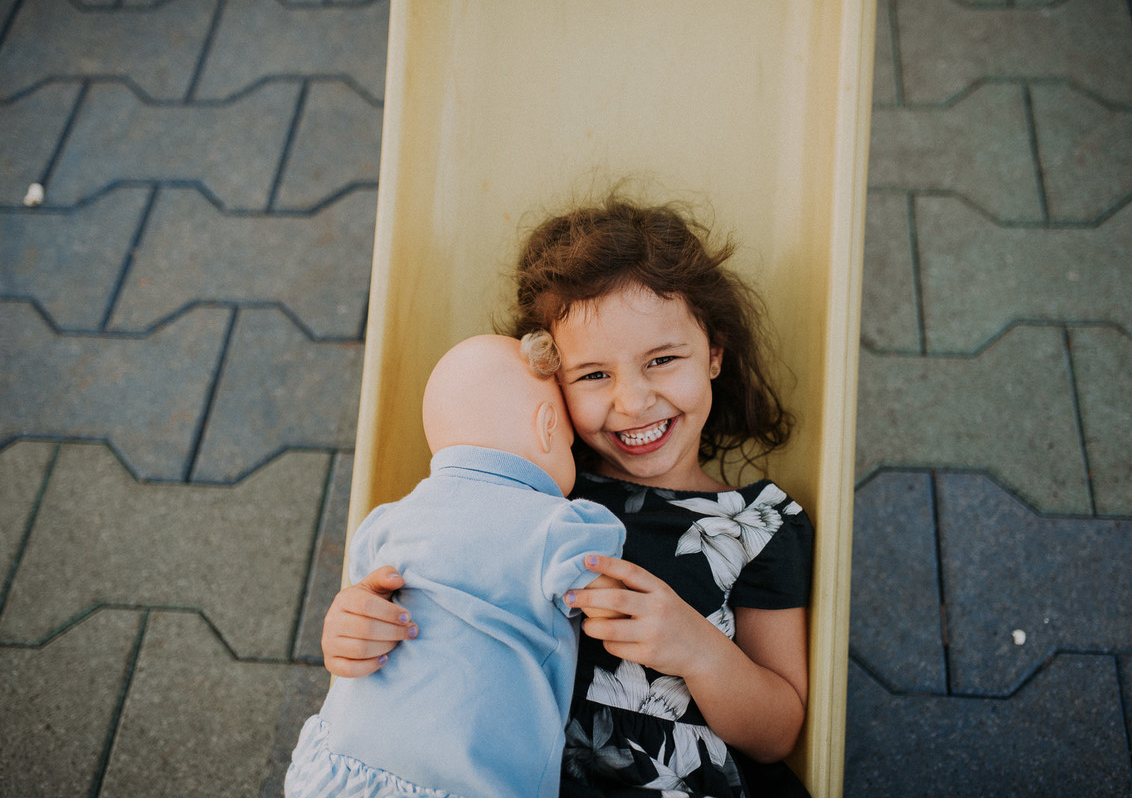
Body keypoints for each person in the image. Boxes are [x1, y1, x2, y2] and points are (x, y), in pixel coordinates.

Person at [322, 194, 815, 797]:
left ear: (714, 354)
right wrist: (354, 625)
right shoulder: (519, 496)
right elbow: (419, 590)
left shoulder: (756, 524)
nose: (633, 401)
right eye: (593, 375)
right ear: (550, 393)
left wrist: (698, 650)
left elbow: (778, 731)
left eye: (663, 360)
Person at [287, 333, 626, 798]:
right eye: (570, 446)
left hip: (342, 768)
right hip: (472, 780)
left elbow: (360, 597)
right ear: (548, 426)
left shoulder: (388, 521)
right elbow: (612, 602)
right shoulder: (557, 526)